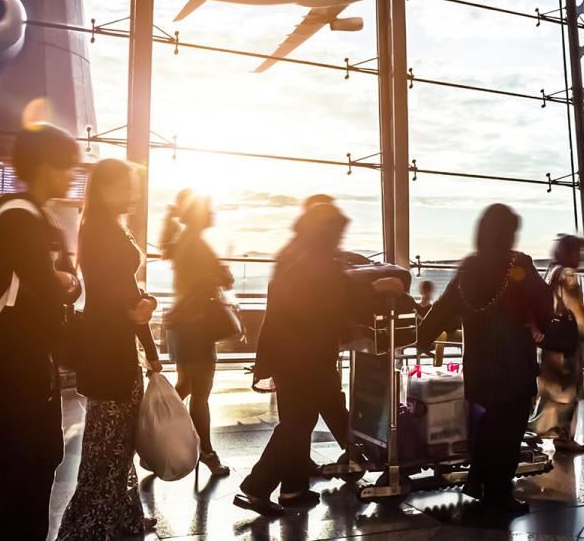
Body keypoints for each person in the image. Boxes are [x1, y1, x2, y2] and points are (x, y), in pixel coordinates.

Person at [238, 202, 403, 516]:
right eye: (337, 233)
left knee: (300, 421)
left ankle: (293, 490)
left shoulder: (303, 259)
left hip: (292, 357)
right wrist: (377, 287)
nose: (339, 239)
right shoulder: (316, 264)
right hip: (306, 358)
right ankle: (256, 487)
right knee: (296, 425)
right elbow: (334, 299)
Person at [0, 124, 83, 541]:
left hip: (33, 352)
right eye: (65, 166)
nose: (71, 175)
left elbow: (68, 282)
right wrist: (62, 282)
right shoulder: (19, 217)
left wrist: (64, 283)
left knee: (39, 454)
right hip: (16, 353)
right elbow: (47, 283)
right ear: (44, 166)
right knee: (22, 458)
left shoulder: (40, 216)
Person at [419, 204, 552, 514]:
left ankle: (479, 482)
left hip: (479, 368)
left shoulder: (468, 270)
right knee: (508, 431)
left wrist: (423, 339)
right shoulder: (518, 265)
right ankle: (498, 494)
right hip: (513, 366)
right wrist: (542, 326)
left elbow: (440, 311)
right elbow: (544, 302)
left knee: (487, 426)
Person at [57, 159, 160, 540]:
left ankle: (119, 517)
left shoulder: (107, 227)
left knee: (115, 441)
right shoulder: (102, 230)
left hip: (113, 344)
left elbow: (128, 295)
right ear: (104, 188)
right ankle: (89, 525)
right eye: (126, 185)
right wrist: (146, 325)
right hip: (108, 348)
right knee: (108, 444)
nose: (133, 192)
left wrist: (145, 315)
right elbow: (122, 297)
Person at [161, 190, 233, 477]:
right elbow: (214, 282)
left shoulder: (183, 241)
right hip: (196, 327)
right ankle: (207, 452)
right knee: (201, 393)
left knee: (187, 385)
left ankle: (156, 437)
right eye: (209, 206)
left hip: (182, 325)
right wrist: (221, 275)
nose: (213, 211)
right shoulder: (198, 245)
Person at [531, 235, 584, 454]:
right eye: (578, 252)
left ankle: (544, 433)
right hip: (565, 343)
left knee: (551, 393)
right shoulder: (567, 274)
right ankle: (564, 438)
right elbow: (576, 311)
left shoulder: (552, 271)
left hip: (550, 341)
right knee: (567, 392)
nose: (581, 257)